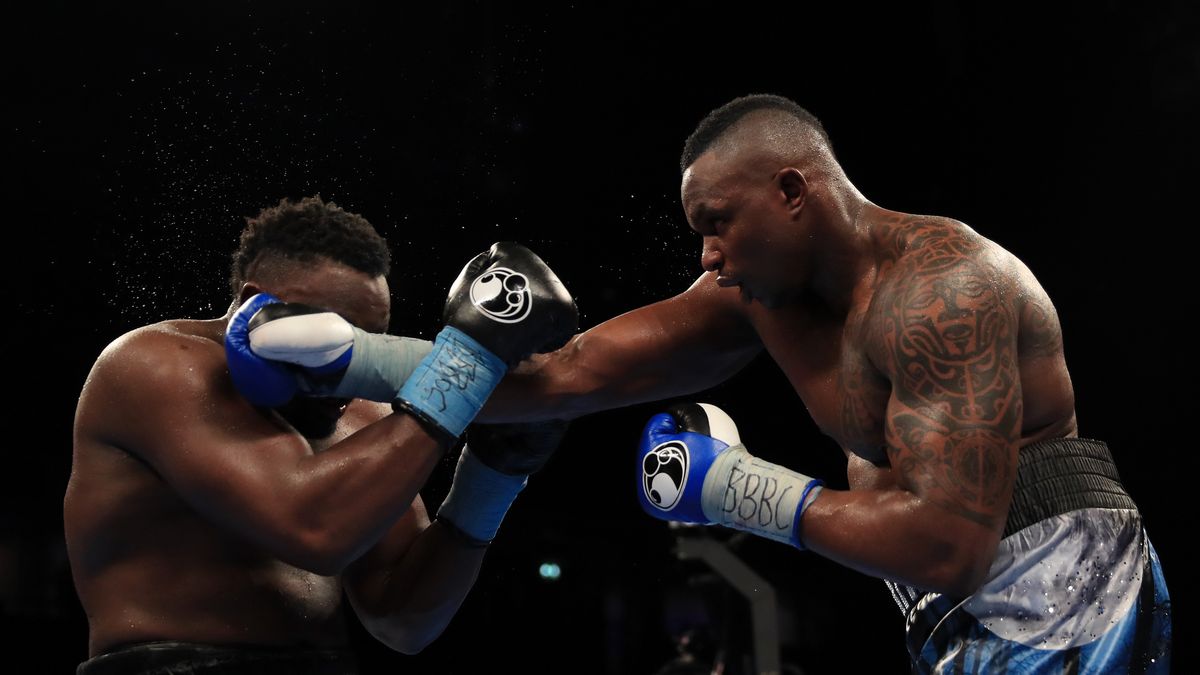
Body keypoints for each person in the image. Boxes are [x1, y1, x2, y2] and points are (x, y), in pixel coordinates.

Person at [478, 94, 1173, 673]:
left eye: (718, 222)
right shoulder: (759, 300)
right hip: (943, 604)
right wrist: (394, 363)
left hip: (1060, 576)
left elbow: (947, 544)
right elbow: (571, 373)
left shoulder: (944, 288)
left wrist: (736, 489)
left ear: (790, 191)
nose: (707, 254)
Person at [65, 195, 577, 674]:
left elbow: (404, 622)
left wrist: (491, 478)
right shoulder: (156, 366)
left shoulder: (369, 419)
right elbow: (313, 529)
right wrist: (461, 368)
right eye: (333, 334)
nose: (346, 365)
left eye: (366, 343)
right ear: (254, 307)